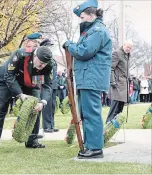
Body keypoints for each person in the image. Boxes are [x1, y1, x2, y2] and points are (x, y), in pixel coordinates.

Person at [62, 0, 112, 158]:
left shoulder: (97, 30)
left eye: (83, 17)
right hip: (87, 77)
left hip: (92, 77)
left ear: (91, 15)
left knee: (91, 113)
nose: (81, 20)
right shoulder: (91, 30)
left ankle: (95, 148)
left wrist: (69, 45)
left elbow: (84, 52)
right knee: (86, 113)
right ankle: (90, 145)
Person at [0, 46, 53, 152]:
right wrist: (20, 94)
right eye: (41, 62)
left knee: (36, 106)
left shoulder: (49, 65)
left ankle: (32, 140)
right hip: (6, 80)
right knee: (0, 110)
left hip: (29, 81)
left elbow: (47, 85)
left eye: (45, 64)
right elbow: (9, 76)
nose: (42, 66)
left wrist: (42, 102)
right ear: (35, 56)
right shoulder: (21, 54)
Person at [106, 40, 133, 123]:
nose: (129, 49)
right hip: (117, 84)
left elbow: (124, 69)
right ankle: (108, 123)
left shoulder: (127, 55)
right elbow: (111, 68)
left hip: (124, 84)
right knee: (115, 106)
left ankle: (115, 125)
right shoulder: (117, 53)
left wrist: (129, 77)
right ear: (123, 44)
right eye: (128, 47)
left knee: (120, 107)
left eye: (130, 48)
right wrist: (112, 81)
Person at [40, 39, 59, 133]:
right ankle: (47, 126)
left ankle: (51, 125)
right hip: (46, 85)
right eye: (49, 46)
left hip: (54, 85)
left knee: (52, 106)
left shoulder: (52, 59)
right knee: (47, 106)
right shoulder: (43, 58)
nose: (50, 48)